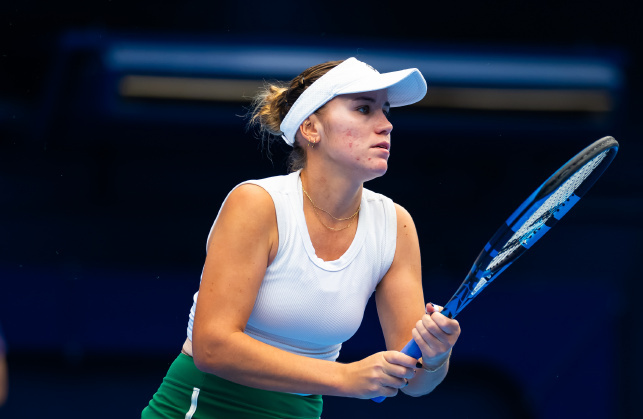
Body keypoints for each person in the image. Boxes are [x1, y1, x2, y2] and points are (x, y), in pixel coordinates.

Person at [142, 57, 461, 418]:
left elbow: (414, 381)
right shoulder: (257, 204)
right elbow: (212, 348)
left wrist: (435, 355)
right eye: (363, 109)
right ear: (311, 128)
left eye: (385, 111)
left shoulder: (396, 225)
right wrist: (344, 377)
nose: (386, 125)